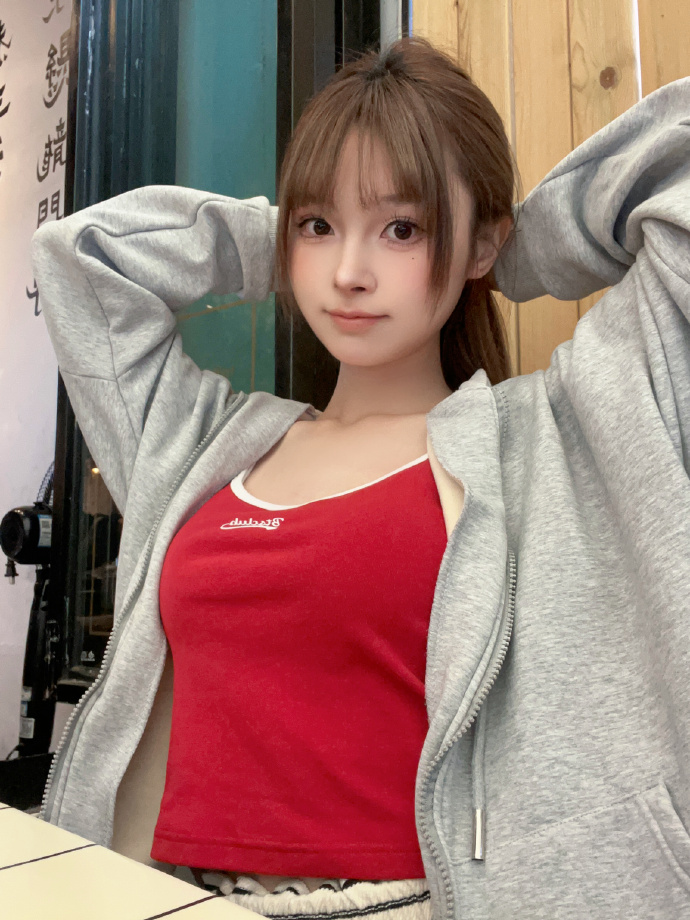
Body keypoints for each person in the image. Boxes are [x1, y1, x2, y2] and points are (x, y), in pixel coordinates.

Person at [31, 36, 690, 920]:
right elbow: (81, 258)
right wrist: (279, 239)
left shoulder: (553, 439)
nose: (348, 273)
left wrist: (505, 248)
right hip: (170, 896)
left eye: (402, 229)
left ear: (479, 242)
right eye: (321, 228)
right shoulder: (201, 446)